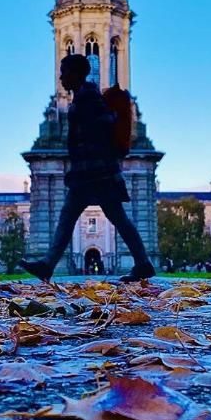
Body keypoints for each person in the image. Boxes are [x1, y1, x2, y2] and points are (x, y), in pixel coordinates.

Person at [19, 54, 156, 283]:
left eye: (64, 72)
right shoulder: (84, 98)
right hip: (93, 173)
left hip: (95, 174)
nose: (61, 77)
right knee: (95, 217)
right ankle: (142, 263)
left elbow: (99, 133)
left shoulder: (89, 99)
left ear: (76, 74)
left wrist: (87, 160)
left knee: (95, 217)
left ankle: (49, 264)